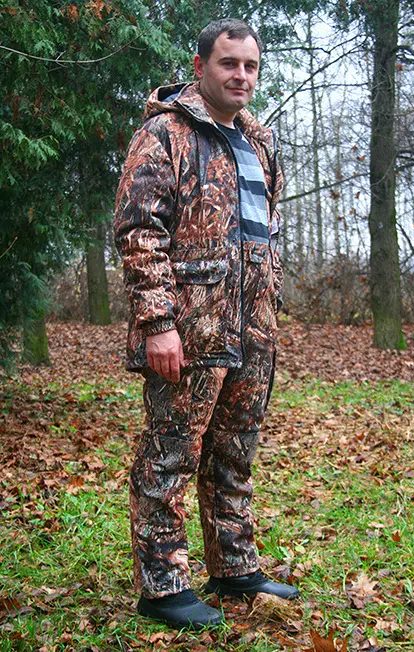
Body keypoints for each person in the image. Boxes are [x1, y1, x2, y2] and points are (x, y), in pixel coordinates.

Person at [114, 18, 299, 630]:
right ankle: (163, 586)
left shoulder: (260, 141)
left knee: (234, 453)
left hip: (253, 329)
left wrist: (269, 306)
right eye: (229, 63)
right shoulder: (163, 134)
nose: (241, 76)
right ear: (200, 67)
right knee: (170, 455)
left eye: (250, 66)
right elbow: (139, 232)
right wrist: (158, 323)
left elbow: (262, 236)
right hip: (191, 332)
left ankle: (234, 566)